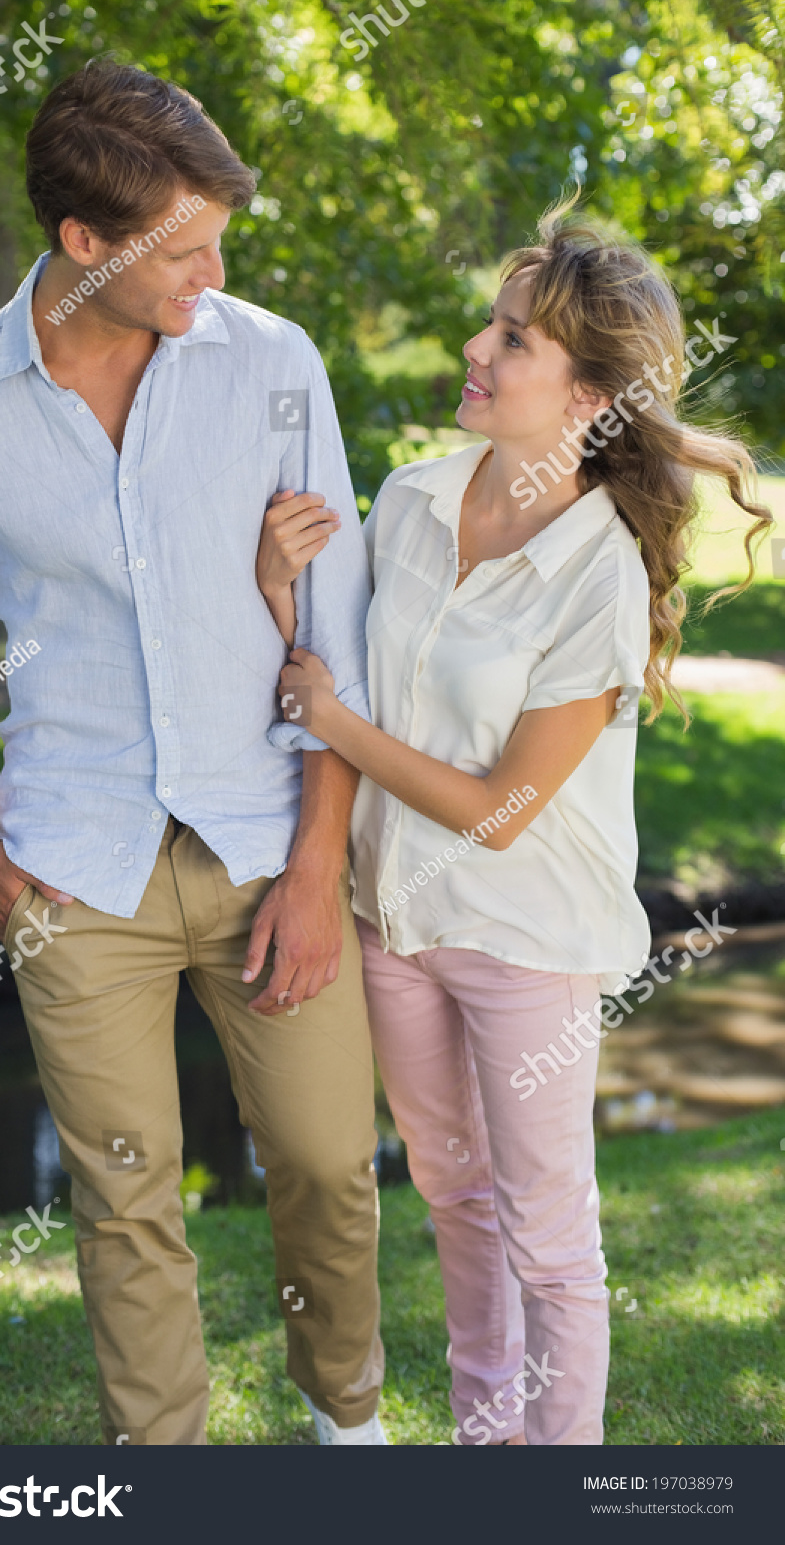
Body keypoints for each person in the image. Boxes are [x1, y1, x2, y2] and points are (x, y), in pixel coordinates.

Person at [0, 59, 387, 1446]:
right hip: (72, 861)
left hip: (269, 835)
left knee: (331, 1163)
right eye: (187, 247)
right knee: (125, 1188)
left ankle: (349, 1426)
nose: (217, 270)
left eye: (221, 238)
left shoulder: (269, 361)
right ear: (83, 243)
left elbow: (336, 619)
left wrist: (322, 861)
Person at [256, 203, 771, 1444]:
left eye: (514, 342)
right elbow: (330, 674)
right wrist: (281, 589)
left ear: (589, 395)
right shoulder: (415, 497)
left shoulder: (601, 574)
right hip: (394, 916)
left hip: (526, 935)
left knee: (548, 1237)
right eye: (491, 324)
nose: (476, 351)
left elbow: (497, 811)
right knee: (452, 1199)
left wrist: (335, 717)